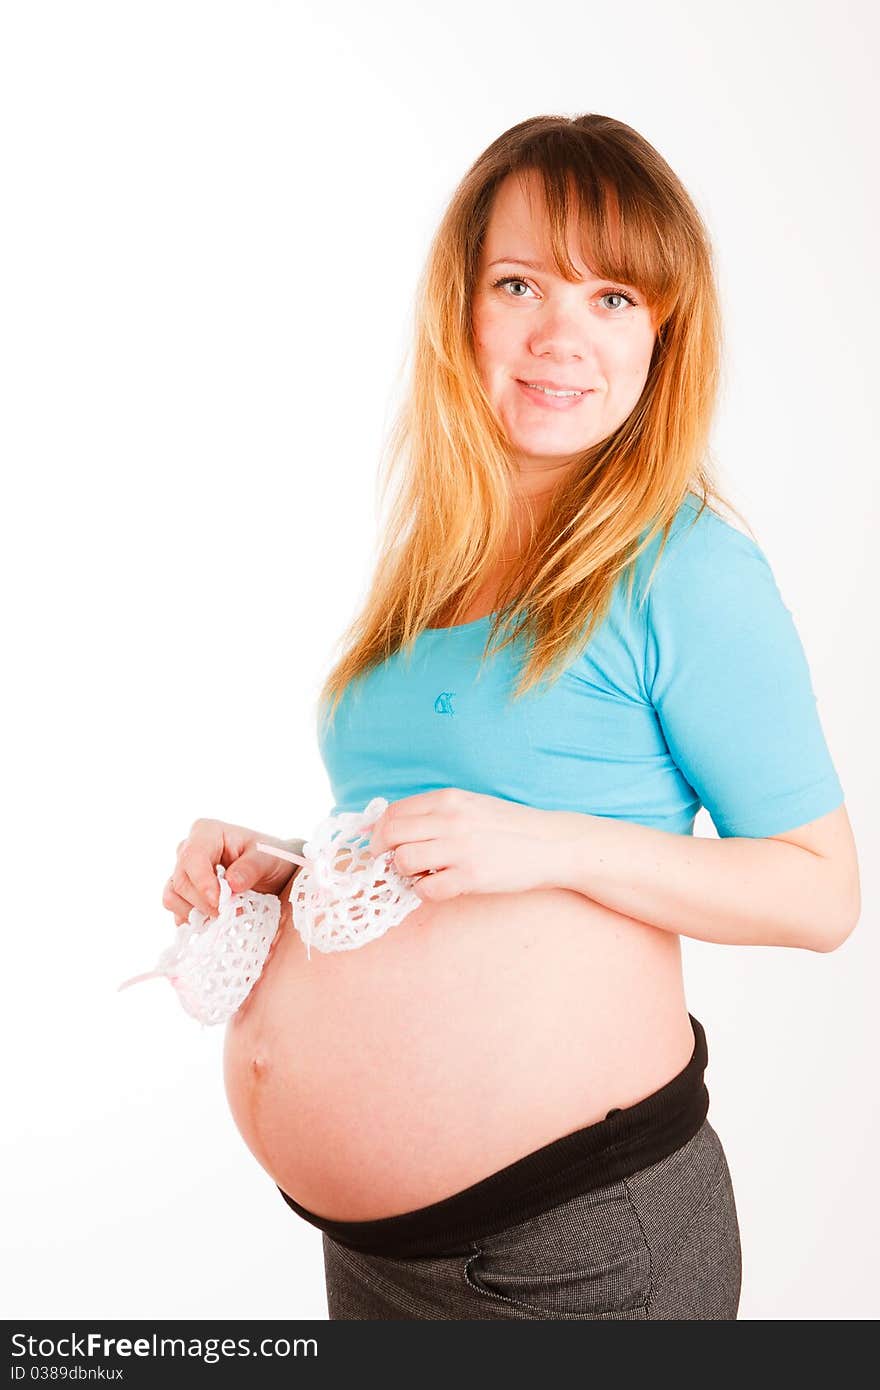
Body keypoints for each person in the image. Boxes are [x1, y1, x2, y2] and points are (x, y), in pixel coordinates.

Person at [162, 113, 860, 1320]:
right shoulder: (434, 562)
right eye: (520, 282)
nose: (558, 336)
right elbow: (435, 841)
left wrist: (552, 845)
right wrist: (286, 870)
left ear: (662, 335)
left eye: (612, 299)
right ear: (463, 307)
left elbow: (821, 892)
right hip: (377, 1254)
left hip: (573, 1250)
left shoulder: (684, 565)